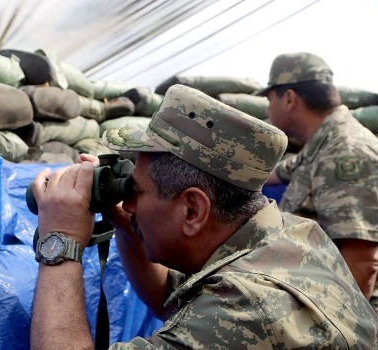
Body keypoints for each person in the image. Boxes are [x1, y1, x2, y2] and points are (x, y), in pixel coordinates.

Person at [29, 84, 378, 349]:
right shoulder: (294, 235)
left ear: (193, 210)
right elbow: (174, 299)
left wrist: (59, 240)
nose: (131, 203)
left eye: (138, 191)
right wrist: (129, 224)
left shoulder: (249, 311)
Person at [258, 52, 378, 309]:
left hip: (343, 318)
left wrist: (336, 334)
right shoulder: (319, 148)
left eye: (269, 100)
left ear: (289, 98)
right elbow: (277, 173)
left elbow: (363, 263)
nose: (267, 110)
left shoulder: (344, 151)